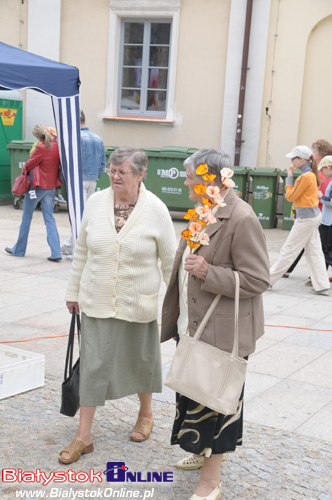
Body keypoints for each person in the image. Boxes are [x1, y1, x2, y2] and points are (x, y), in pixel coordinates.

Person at [160, 148, 270, 500]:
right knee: (193, 395)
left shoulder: (242, 218)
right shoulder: (205, 209)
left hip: (222, 333)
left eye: (191, 176)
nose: (186, 181)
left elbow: (258, 279)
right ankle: (197, 451)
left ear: (211, 178)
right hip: (193, 325)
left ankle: (211, 480)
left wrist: (209, 273)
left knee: (218, 404)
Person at [58, 146, 177, 464]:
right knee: (94, 366)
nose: (114, 176)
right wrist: (73, 293)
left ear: (140, 175)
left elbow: (170, 264)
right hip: (97, 300)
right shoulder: (96, 202)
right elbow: (82, 250)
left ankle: (146, 414)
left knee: (142, 361)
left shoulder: (156, 209)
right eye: (111, 170)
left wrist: (179, 309)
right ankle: (83, 436)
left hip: (138, 301)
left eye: (121, 172)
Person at [269, 145, 330, 295]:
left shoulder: (305, 176)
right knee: (315, 252)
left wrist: (289, 178)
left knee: (289, 250)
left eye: (294, 158)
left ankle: (267, 280)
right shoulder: (312, 174)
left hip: (306, 218)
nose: (292, 161)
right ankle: (322, 285)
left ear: (302, 159)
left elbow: (290, 197)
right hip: (313, 216)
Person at [5, 125, 62, 261]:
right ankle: (56, 253)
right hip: (51, 187)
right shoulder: (57, 146)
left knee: (27, 217)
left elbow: (27, 166)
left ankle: (19, 250)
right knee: (49, 219)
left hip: (37, 187)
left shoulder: (41, 148)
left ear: (37, 137)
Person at [283, 139, 332, 281]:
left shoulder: (318, 173)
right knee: (316, 248)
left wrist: (289, 180)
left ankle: (284, 270)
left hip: (316, 214)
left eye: (314, 152)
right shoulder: (317, 172)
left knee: (311, 247)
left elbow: (296, 196)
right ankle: (317, 279)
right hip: (318, 215)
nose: (312, 154)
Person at [61, 110, 106, 259]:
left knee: (77, 216)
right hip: (92, 179)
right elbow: (102, 163)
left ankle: (77, 250)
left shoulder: (74, 138)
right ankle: (70, 244)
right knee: (85, 215)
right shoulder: (98, 138)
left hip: (77, 180)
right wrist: (95, 176)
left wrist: (64, 178)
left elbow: (67, 161)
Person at [317, 155, 332, 280]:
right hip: (328, 220)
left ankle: (319, 278)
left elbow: (331, 200)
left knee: (326, 250)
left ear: (328, 167)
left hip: (329, 221)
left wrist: (320, 196)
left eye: (322, 170)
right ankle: (320, 277)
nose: (321, 173)